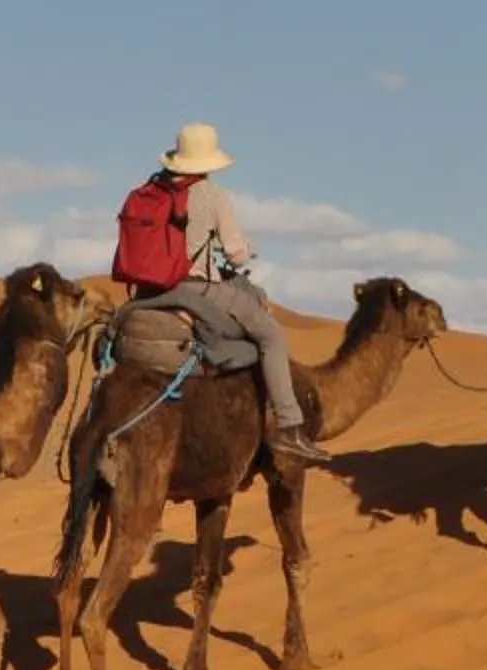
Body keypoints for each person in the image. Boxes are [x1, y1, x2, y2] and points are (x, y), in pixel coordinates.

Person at [124, 122, 333, 467]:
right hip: (190, 287)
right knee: (271, 336)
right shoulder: (212, 196)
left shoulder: (150, 189)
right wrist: (246, 250)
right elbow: (235, 254)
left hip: (145, 290)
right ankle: (290, 427)